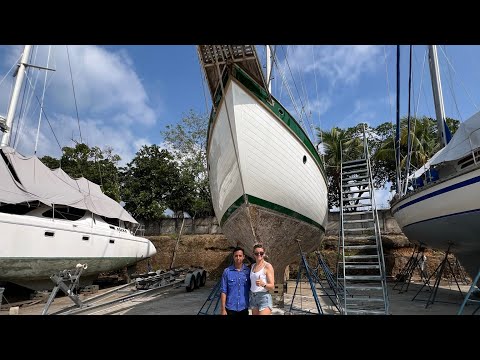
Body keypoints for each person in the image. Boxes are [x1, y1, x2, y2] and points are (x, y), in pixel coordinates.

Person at [220, 246, 251, 315]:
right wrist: (223, 309)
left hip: (244, 308)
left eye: (240, 256)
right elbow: (223, 291)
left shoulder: (248, 272)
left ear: (243, 257)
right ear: (233, 257)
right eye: (236, 256)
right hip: (230, 308)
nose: (238, 258)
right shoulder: (227, 272)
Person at [249, 244, 274, 315]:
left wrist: (263, 284)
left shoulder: (267, 266)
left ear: (264, 254)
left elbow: (272, 286)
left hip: (263, 298)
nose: (259, 255)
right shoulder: (253, 266)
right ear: (253, 254)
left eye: (261, 253)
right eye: (256, 253)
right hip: (253, 297)